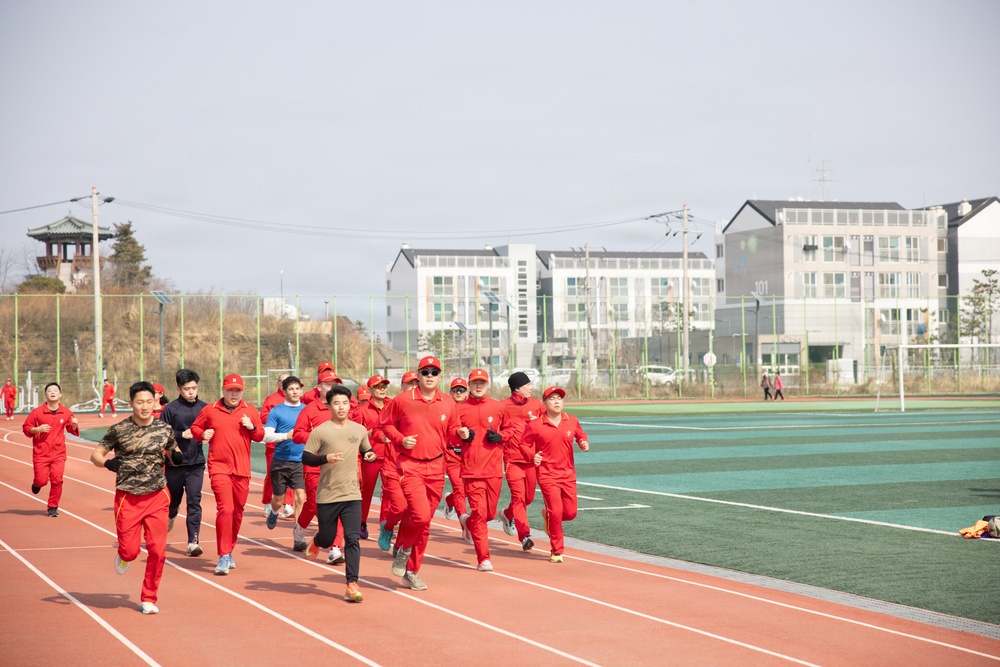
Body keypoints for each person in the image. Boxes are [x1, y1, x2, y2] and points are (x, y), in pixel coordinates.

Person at [90, 381, 182, 615]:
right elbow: (96, 454)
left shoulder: (163, 428)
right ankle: (123, 556)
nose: (144, 406)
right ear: (131, 403)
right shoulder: (119, 430)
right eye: (139, 402)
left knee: (158, 550)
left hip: (157, 496)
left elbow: (172, 449)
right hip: (128, 498)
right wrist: (108, 463)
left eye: (148, 402)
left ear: (156, 402)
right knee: (130, 550)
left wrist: (177, 456)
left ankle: (148, 597)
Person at [380, 355, 466, 591]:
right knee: (419, 515)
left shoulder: (448, 402)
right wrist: (400, 439)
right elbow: (385, 424)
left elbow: (452, 431)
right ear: (417, 375)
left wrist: (462, 433)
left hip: (437, 466)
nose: (430, 376)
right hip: (410, 465)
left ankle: (412, 572)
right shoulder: (402, 400)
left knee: (425, 522)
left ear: (440, 376)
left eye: (434, 372)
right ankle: (404, 548)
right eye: (425, 372)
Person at [301, 385, 378, 603]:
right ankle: (317, 540)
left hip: (352, 494)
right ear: (329, 405)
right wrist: (325, 459)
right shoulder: (321, 431)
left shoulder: (359, 430)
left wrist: (370, 454)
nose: (341, 407)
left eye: (345, 403)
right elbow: (306, 458)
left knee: (352, 539)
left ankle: (351, 584)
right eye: (337, 403)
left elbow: (366, 449)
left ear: (349, 404)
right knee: (327, 538)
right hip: (328, 495)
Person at [189, 373, 264, 575]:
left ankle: (229, 550)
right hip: (219, 468)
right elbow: (196, 427)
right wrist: (202, 434)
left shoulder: (249, 410)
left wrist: (252, 427)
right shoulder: (210, 409)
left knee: (238, 512)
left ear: (242, 391)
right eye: (230, 390)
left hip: (242, 470)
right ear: (223, 390)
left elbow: (260, 436)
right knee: (226, 510)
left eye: (237, 390)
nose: (234, 394)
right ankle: (223, 555)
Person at [525, 386, 590, 563]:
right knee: (556, 512)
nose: (556, 402)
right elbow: (524, 444)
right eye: (552, 399)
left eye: (559, 398)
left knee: (570, 513)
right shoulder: (536, 424)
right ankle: (556, 551)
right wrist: (533, 456)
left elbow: (580, 434)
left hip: (568, 474)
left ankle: (547, 515)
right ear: (544, 403)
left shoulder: (572, 420)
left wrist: (583, 442)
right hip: (547, 475)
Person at [456, 368, 510, 572]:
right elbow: (449, 435)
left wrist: (501, 436)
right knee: (479, 513)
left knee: (489, 514)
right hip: (471, 471)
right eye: (475, 382)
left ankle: (468, 523)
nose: (478, 386)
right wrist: (460, 435)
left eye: (482, 383)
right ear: (469, 385)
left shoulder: (498, 408)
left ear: (488, 384)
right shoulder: (459, 409)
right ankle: (483, 558)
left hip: (494, 469)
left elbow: (513, 429)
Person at [291, 370, 346, 562]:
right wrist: (319, 438)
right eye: (329, 384)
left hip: (339, 466)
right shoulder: (310, 409)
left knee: (338, 505)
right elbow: (298, 435)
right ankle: (300, 528)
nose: (332, 387)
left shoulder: (343, 408)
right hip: (315, 466)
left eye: (335, 384)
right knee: (314, 504)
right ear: (319, 387)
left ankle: (335, 548)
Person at [159, 369, 208, 556]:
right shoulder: (171, 409)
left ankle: (193, 542)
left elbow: (212, 428)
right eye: (187, 389)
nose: (191, 392)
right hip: (175, 465)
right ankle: (171, 515)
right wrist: (181, 435)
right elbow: (162, 435)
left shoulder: (204, 408)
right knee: (173, 502)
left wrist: (209, 435)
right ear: (178, 388)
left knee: (194, 501)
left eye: (194, 388)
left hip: (196, 464)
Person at [358, 374, 406, 552]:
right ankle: (362, 522)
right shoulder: (363, 409)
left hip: (391, 457)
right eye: (378, 386)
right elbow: (358, 432)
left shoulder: (393, 404)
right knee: (367, 490)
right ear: (370, 390)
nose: (382, 389)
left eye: (384, 385)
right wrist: (368, 439)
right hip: (371, 456)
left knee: (389, 494)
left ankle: (386, 527)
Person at [499, 371, 544, 551]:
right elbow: (495, 432)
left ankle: (507, 514)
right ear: (517, 388)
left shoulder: (536, 404)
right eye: (527, 385)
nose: (531, 387)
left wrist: (539, 421)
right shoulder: (502, 407)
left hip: (532, 460)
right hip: (513, 460)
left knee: (529, 498)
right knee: (518, 498)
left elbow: (547, 426)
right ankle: (525, 535)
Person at [22, 382, 79, 517]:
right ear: (45, 395)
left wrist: (75, 425)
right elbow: (26, 428)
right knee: (42, 480)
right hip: (41, 453)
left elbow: (71, 429)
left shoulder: (66, 412)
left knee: (57, 479)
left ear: (60, 395)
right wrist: (37, 429)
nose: (52, 392)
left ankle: (53, 507)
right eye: (49, 391)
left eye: (55, 390)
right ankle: (37, 484)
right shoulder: (37, 412)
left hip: (59, 454)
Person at [263, 376, 307, 532]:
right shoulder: (277, 411)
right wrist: (285, 436)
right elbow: (266, 435)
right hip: (281, 461)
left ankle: (298, 535)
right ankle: (274, 512)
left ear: (301, 391)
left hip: (301, 461)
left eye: (297, 388)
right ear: (284, 391)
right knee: (279, 500)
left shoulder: (307, 410)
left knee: (301, 497)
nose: (295, 392)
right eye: (291, 389)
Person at [259, 372, 295, 517]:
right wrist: (280, 417)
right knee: (272, 474)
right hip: (273, 446)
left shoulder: (295, 399)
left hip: (291, 444)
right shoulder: (272, 399)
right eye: (282, 381)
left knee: (292, 475)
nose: (285, 383)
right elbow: (263, 416)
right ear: (279, 384)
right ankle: (268, 503)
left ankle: (288, 504)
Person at [444, 377, 469, 528]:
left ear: (467, 392)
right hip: (451, 454)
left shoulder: (472, 409)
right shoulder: (445, 408)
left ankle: (449, 501)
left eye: (462, 389)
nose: (458, 392)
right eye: (455, 390)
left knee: (467, 489)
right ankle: (465, 525)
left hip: (469, 455)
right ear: (450, 392)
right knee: (459, 488)